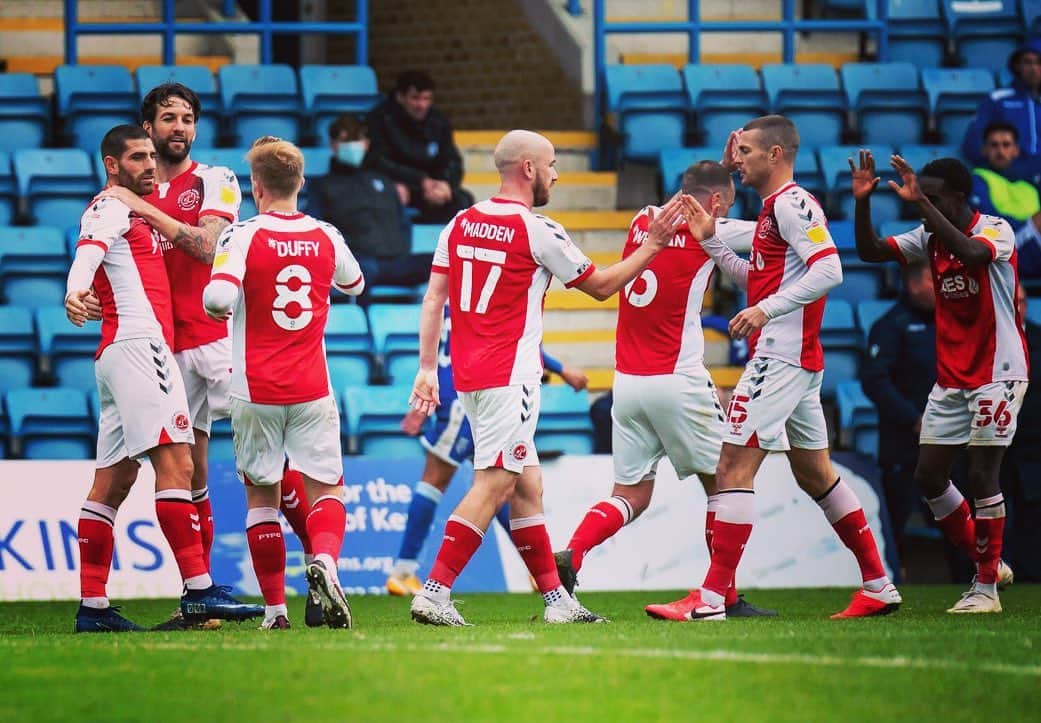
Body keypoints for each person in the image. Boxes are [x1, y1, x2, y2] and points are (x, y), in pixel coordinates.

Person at [407, 129, 684, 626]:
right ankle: (434, 591)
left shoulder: (459, 222)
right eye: (552, 163)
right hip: (510, 377)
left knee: (527, 486)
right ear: (529, 169)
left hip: (470, 377)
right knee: (494, 483)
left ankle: (557, 601)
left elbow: (433, 299)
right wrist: (652, 248)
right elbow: (600, 287)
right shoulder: (538, 230)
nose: (556, 173)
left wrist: (427, 368)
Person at [645, 117, 902, 622]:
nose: (735, 159)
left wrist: (767, 312)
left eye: (743, 151)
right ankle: (878, 583)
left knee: (731, 469)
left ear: (776, 153)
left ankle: (712, 599)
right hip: (795, 359)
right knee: (816, 475)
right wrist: (711, 239)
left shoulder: (791, 203)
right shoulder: (770, 211)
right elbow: (756, 278)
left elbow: (831, 269)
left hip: (779, 357)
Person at [99, 82, 322, 630]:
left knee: (261, 465)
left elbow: (206, 246)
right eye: (168, 119)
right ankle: (199, 599)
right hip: (164, 350)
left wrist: (140, 209)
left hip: (220, 341)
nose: (180, 127)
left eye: (188, 119)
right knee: (189, 473)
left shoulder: (214, 181)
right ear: (146, 129)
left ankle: (320, 571)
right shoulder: (131, 193)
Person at [553, 161, 774, 618]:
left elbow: (698, 193)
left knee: (630, 493)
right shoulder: (717, 227)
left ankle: (573, 552)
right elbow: (778, 228)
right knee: (725, 483)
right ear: (715, 203)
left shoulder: (643, 219)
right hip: (678, 377)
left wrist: (723, 167)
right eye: (726, 201)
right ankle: (723, 596)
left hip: (628, 384)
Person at [67, 124, 262, 632]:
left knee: (113, 480)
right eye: (136, 158)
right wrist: (76, 289)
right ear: (113, 166)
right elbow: (89, 248)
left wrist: (89, 292)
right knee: (177, 463)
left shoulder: (134, 209)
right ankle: (200, 593)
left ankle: (93, 608)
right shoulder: (112, 204)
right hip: (140, 348)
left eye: (151, 157)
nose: (149, 165)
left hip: (116, 350)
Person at [852, 150, 1026, 613]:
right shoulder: (928, 234)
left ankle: (986, 589)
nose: (919, 205)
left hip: (998, 371)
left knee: (982, 472)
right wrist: (863, 201)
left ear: (956, 197)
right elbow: (871, 251)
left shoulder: (995, 229)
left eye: (929, 197)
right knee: (929, 475)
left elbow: (972, 254)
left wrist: (923, 207)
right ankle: (988, 560)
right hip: (952, 377)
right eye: (917, 197)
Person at [202, 136, 365, 630]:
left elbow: (215, 299)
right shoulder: (325, 234)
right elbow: (355, 284)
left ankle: (275, 611)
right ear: (300, 182)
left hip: (254, 389)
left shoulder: (242, 235)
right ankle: (327, 563)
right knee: (327, 490)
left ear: (256, 186)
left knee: (262, 499)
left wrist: (229, 295)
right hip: (312, 386)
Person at [388, 303, 588, 596]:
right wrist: (562, 369)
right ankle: (404, 572)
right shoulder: (486, 292)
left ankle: (536, 569)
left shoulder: (456, 291)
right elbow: (510, 341)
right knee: (468, 483)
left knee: (495, 485)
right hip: (469, 394)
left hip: (461, 392)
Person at [858, 262, 938, 561]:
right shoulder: (890, 325)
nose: (941, 285)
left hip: (949, 440)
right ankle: (891, 579)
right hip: (903, 445)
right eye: (933, 279)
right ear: (914, 284)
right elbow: (874, 381)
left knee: (955, 513)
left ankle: (969, 579)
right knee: (896, 523)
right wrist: (912, 419)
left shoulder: (952, 321)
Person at [309, 113, 433, 304]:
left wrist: (399, 250)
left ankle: (443, 328)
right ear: (333, 145)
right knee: (362, 270)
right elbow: (318, 231)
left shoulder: (383, 182)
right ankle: (363, 326)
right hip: (360, 264)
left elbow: (403, 223)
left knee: (441, 263)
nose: (353, 145)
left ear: (366, 143)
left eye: (357, 139)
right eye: (345, 140)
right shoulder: (322, 186)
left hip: (397, 261)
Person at [364, 70, 474, 224]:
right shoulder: (380, 120)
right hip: (397, 183)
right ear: (400, 97)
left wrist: (445, 184)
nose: (421, 105)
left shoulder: (438, 122)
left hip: (429, 188)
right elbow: (378, 161)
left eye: (426, 98)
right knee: (393, 195)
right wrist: (418, 180)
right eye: (415, 98)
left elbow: (451, 159)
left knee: (463, 200)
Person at [1000, 285, 1041, 582]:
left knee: (1031, 511)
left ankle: (1030, 573)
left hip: (1032, 441)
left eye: (1023, 301)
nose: (1018, 307)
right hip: (995, 438)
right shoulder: (990, 336)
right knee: (994, 504)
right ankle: (992, 569)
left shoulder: (1038, 337)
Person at [963, 39, 1041, 176]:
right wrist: (1001, 168)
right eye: (1028, 62)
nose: (1034, 68)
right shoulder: (998, 99)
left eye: (1039, 63)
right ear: (1017, 66)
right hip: (1008, 176)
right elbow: (973, 143)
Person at [969, 122, 1040, 231]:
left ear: (1016, 150)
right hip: (999, 241)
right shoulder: (977, 180)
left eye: (1006, 145)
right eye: (994, 145)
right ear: (984, 150)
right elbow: (985, 221)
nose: (1000, 151)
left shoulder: (1031, 184)